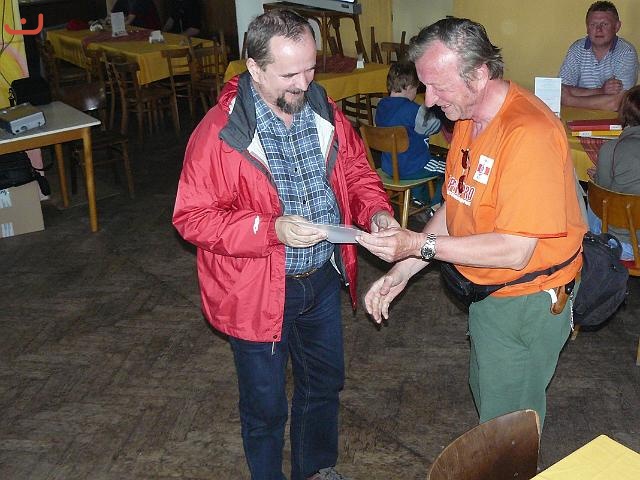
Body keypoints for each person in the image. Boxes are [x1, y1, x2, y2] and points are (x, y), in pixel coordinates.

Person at [172, 9, 396, 480]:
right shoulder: (220, 133)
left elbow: (356, 171)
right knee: (265, 406)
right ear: (254, 68)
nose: (304, 83)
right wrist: (269, 230)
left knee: (323, 386)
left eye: (310, 68)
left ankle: (315, 470)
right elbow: (192, 218)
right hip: (257, 289)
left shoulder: (322, 108)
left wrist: (376, 212)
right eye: (290, 74)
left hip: (322, 279)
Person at [357, 18, 586, 429]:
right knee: (489, 398)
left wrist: (417, 245)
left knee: (507, 428)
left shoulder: (528, 133)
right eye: (424, 86)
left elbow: (515, 250)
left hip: (527, 299)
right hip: (490, 296)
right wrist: (402, 271)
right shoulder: (466, 119)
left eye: (438, 87)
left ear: (479, 74)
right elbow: (455, 205)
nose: (429, 100)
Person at [375, 61, 445, 209]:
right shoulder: (413, 110)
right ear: (408, 87)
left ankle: (418, 198)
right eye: (416, 88)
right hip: (411, 167)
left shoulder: (381, 106)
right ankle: (435, 209)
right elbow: (435, 126)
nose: (416, 92)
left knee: (415, 151)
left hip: (389, 166)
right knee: (450, 169)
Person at [588, 85, 640, 259]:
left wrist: (597, 179)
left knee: (592, 193)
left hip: (623, 245)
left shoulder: (611, 149)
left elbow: (603, 198)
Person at [559, 1, 638, 111]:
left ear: (617, 26)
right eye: (593, 24)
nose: (598, 29)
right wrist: (601, 91)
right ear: (587, 28)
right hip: (576, 116)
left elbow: (616, 103)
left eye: (604, 24)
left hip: (613, 119)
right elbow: (560, 90)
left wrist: (570, 100)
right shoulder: (577, 49)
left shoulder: (626, 52)